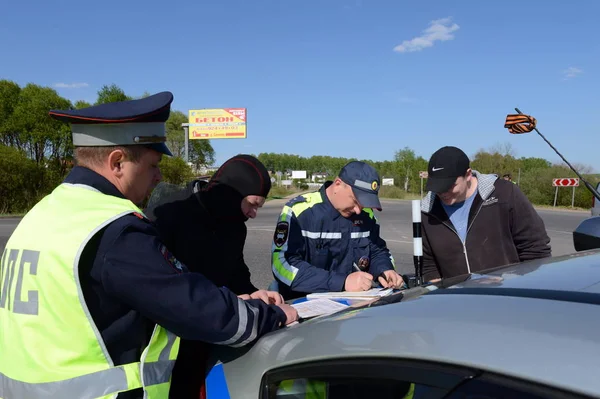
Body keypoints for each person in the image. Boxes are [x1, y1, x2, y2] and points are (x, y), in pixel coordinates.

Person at [0, 92, 297, 399]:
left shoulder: (44, 211)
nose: (158, 177)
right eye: (154, 165)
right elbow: (190, 305)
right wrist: (269, 315)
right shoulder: (114, 229)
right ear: (117, 162)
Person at [145, 154, 283, 397]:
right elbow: (162, 285)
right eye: (252, 204)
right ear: (232, 193)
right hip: (169, 341)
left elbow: (236, 272)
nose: (253, 214)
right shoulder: (172, 211)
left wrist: (253, 293)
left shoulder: (234, 226)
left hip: (214, 330)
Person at [271, 161, 404, 300]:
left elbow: (377, 251)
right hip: (305, 305)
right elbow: (282, 264)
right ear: (338, 184)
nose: (358, 210)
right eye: (355, 200)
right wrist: (342, 282)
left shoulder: (367, 216)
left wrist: (384, 270)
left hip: (355, 307)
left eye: (363, 204)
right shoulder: (299, 211)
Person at [420, 146, 551, 282]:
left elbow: (536, 250)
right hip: (457, 299)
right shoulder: (427, 211)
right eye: (437, 186)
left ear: (468, 174)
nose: (442, 192)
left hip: (508, 295)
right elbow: (430, 267)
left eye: (449, 185)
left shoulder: (504, 194)